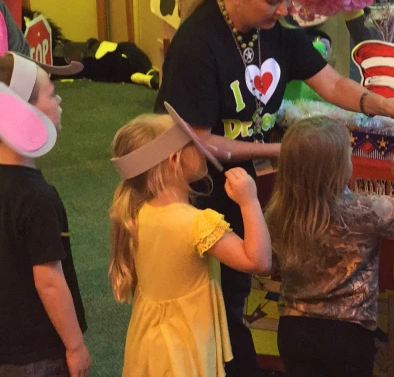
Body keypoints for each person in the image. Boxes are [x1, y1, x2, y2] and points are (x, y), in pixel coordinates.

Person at [155, 0, 394, 375]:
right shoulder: (197, 44)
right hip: (210, 195)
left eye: (286, 0)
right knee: (227, 301)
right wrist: (279, 152)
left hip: (252, 189)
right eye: (273, 1)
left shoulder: (276, 33)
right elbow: (196, 141)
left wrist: (385, 104)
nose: (283, 11)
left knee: (248, 290)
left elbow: (333, 83)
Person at [109, 107, 272, 377]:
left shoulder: (137, 212)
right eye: (192, 144)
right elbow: (259, 261)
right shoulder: (197, 224)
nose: (202, 146)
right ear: (175, 160)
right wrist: (249, 201)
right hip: (183, 348)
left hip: (151, 341)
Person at [264, 117, 394, 377]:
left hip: (293, 328)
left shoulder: (277, 213)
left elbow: (270, 265)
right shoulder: (361, 210)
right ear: (339, 169)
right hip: (348, 334)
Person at [0, 53, 89, 377]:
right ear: (19, 111)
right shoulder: (37, 196)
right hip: (37, 355)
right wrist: (75, 346)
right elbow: (49, 281)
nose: (59, 99)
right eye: (51, 93)